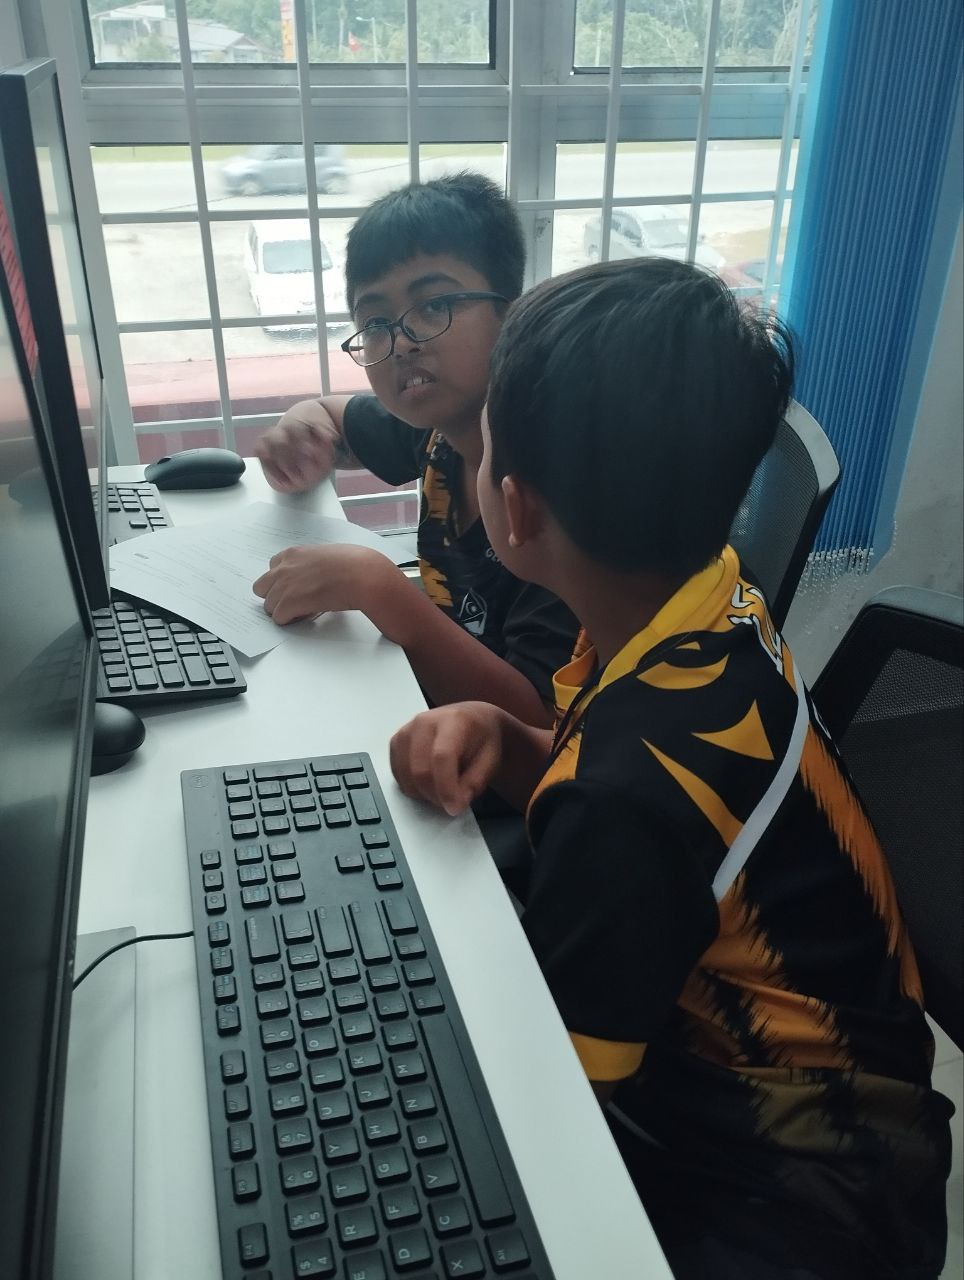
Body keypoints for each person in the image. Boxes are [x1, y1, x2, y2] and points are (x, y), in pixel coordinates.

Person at [389, 257, 953, 1280]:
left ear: (515, 510)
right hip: (861, 1102)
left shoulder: (625, 798)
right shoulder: (707, 600)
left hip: (799, 1191)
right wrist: (508, 736)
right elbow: (637, 801)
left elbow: (555, 1098)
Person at [253, 172, 578, 728]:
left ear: (511, 313)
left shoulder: (556, 495)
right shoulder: (439, 431)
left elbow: (540, 726)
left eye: (435, 305)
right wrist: (301, 427)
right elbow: (333, 415)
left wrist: (382, 592)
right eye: (376, 322)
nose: (401, 341)